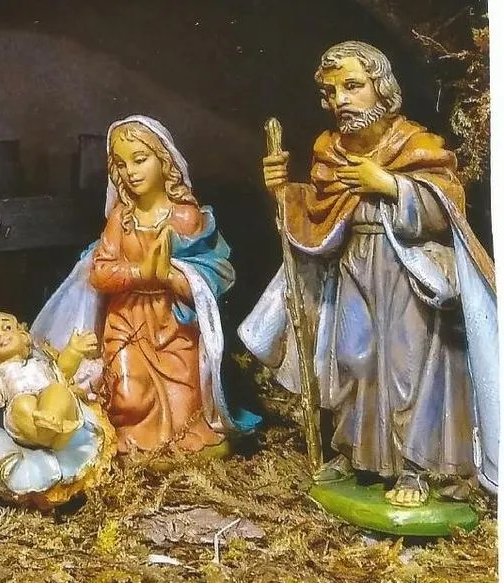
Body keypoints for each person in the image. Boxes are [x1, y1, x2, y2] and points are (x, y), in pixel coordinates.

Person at [240, 41, 498, 506]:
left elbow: (448, 208)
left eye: (352, 86)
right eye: (331, 92)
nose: (340, 100)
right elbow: (319, 213)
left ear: (382, 88)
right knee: (351, 359)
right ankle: (354, 452)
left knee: (405, 369)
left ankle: (414, 468)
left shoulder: (415, 144)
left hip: (407, 270)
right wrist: (284, 192)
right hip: (354, 264)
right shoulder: (330, 152)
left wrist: (391, 185)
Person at [32, 115, 259, 453]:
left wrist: (168, 276)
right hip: (126, 319)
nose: (131, 172)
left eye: (140, 160)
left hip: (174, 325)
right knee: (128, 398)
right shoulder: (121, 217)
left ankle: (185, 441)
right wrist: (142, 272)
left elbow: (211, 281)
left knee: (185, 416)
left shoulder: (185, 217)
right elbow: (100, 272)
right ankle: (132, 442)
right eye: (122, 165)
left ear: (164, 160)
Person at [0, 310, 98, 450]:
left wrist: (74, 351)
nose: (2, 335)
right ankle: (50, 434)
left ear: (22, 334)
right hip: (28, 419)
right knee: (22, 404)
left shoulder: (39, 362)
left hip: (51, 406)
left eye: (7, 328)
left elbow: (62, 371)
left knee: (58, 390)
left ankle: (53, 420)